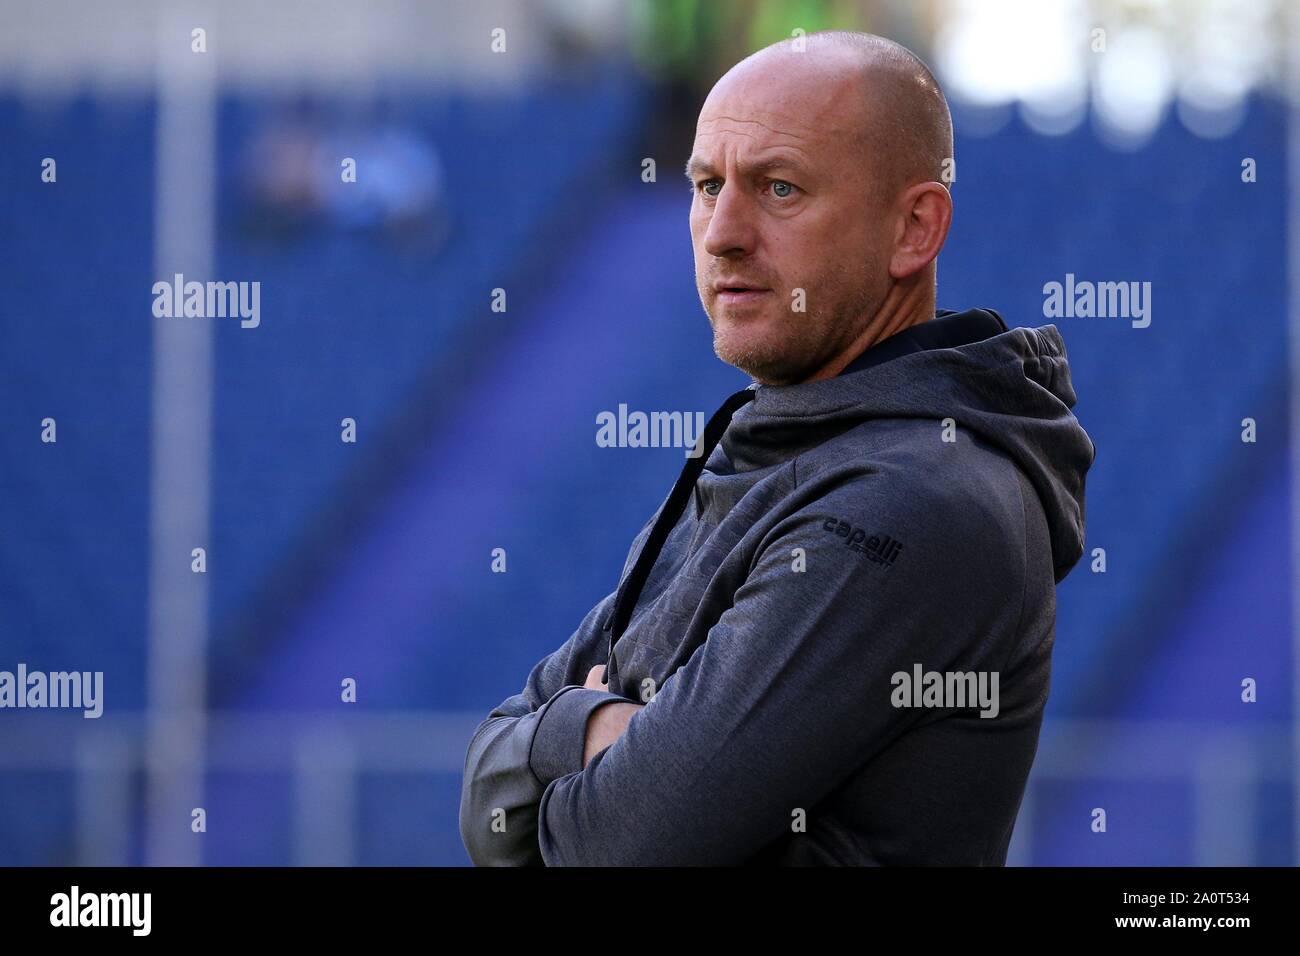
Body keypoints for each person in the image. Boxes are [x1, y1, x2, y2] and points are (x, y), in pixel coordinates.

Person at [458, 30, 1095, 866]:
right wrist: (587, 735)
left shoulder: (912, 499)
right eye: (707, 185)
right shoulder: (763, 447)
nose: (722, 232)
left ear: (914, 228)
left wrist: (558, 742)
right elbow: (482, 800)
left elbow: (615, 845)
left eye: (780, 187)